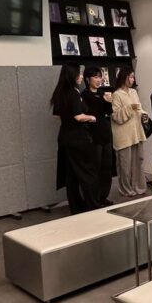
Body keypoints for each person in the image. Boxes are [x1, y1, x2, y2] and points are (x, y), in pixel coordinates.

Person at [50, 63, 100, 214]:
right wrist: (91, 117)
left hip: (64, 137)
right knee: (88, 173)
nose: (81, 77)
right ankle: (93, 207)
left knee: (71, 175)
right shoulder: (73, 92)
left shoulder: (59, 92)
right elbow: (78, 116)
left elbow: (57, 116)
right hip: (78, 139)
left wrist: (68, 120)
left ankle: (76, 209)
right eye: (79, 74)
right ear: (72, 75)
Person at [79, 66, 114, 205]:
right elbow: (86, 114)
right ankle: (93, 199)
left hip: (106, 134)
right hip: (93, 137)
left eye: (100, 77)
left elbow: (108, 112)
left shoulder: (102, 93)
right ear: (88, 79)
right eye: (96, 77)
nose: (99, 80)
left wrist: (109, 102)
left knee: (107, 168)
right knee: (95, 169)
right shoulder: (84, 95)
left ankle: (103, 196)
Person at [111, 67, 148, 197]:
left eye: (133, 77)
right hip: (123, 135)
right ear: (124, 77)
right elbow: (116, 116)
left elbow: (139, 109)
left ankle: (138, 187)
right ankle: (126, 189)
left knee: (139, 162)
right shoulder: (117, 94)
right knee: (125, 165)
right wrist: (129, 108)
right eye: (130, 77)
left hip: (136, 132)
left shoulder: (134, 92)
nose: (132, 80)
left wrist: (144, 114)